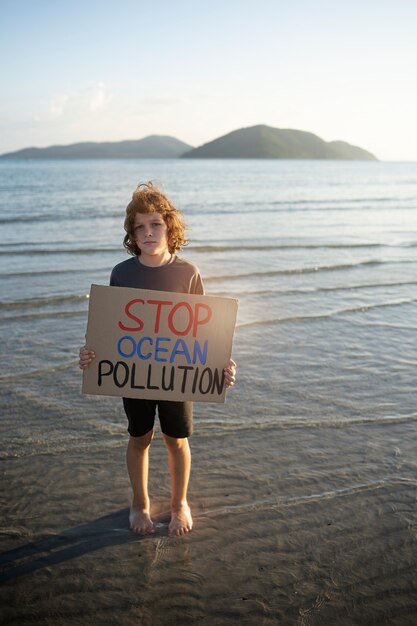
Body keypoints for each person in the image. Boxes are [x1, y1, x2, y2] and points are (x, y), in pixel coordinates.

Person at [79, 183, 236, 537]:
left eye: (155, 225)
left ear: (169, 227)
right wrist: (91, 353)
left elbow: (204, 331)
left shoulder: (188, 273)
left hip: (177, 373)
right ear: (132, 233)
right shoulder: (122, 273)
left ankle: (180, 502)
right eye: (139, 227)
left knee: (176, 439)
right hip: (134, 372)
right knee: (140, 436)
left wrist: (221, 364)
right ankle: (140, 502)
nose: (148, 233)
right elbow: (111, 329)